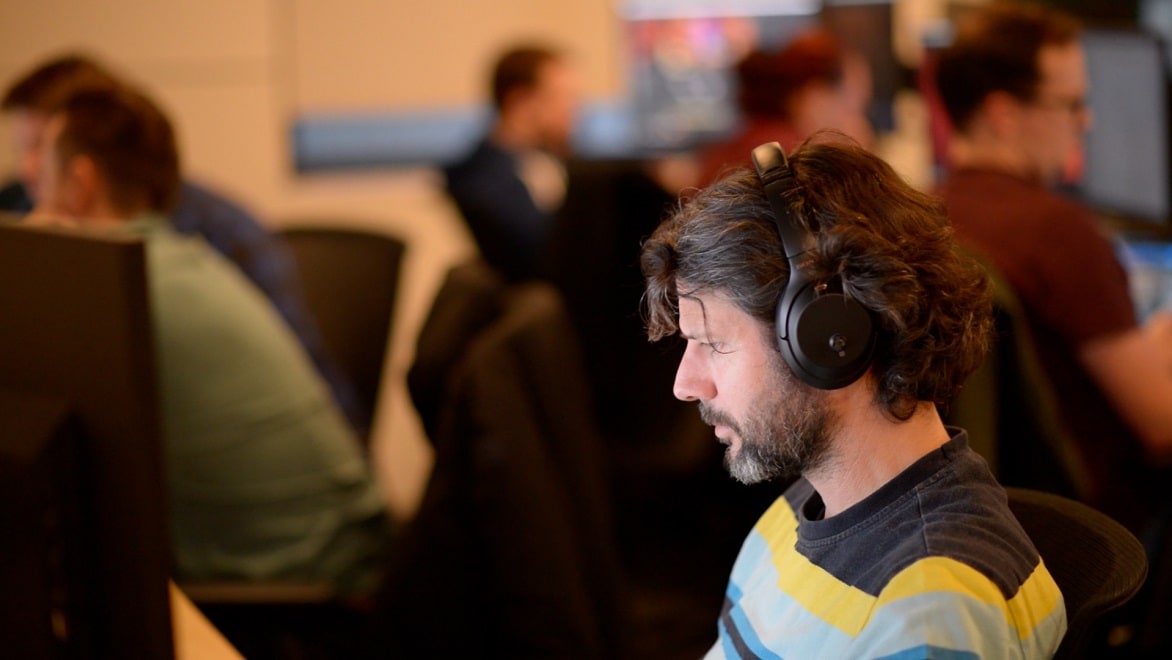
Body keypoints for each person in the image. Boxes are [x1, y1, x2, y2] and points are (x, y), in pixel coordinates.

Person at [640, 133, 1065, 657]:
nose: (686, 385)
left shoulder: (927, 618)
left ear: (827, 340)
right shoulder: (808, 503)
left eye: (713, 343)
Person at [29, 84, 391, 596]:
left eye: (40, 170)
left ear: (79, 183)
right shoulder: (183, 259)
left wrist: (31, 262)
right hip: (344, 554)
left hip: (296, 590)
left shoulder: (108, 288)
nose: (28, 188)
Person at [1, 53, 369, 435]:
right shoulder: (19, 208)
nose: (29, 169)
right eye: (20, 150)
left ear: (84, 173)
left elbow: (305, 382)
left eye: (42, 148)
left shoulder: (213, 239)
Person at [933, 1, 1172, 535]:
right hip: (1090, 540)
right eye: (1071, 104)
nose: (1084, 121)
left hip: (984, 531)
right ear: (1003, 114)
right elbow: (1161, 426)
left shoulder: (921, 213)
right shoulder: (1059, 233)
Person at [443, 43, 580, 282]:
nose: (572, 110)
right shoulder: (480, 178)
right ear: (520, 102)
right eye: (560, 97)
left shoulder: (553, 157)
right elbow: (542, 253)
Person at [696, 28, 875, 187]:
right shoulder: (790, 163)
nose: (859, 121)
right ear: (816, 99)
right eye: (853, 107)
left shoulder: (761, 138)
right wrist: (857, 164)